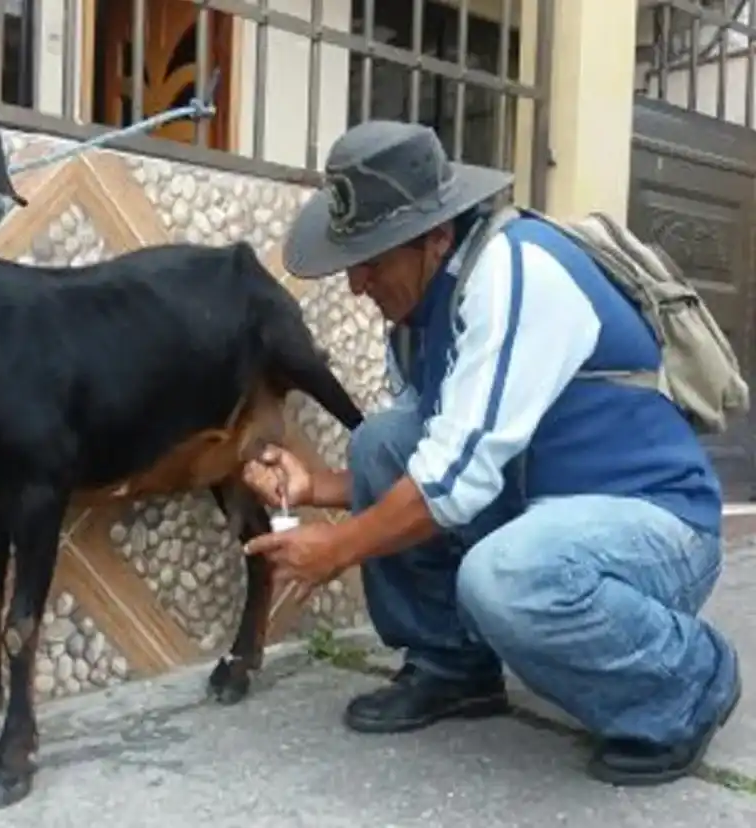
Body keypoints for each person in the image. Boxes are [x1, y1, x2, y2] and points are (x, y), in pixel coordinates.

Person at [240, 119, 741, 787]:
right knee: (381, 442)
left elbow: (453, 486)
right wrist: (311, 488)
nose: (358, 283)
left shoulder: (516, 270)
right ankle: (453, 669)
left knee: (503, 577)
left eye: (372, 259)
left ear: (436, 236)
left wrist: (338, 548)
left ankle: (685, 683)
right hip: (548, 519)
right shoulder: (421, 317)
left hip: (657, 527)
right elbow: (428, 458)